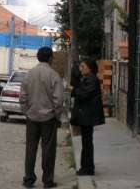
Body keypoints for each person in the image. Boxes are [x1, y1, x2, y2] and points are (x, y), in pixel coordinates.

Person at [19, 46, 64, 189]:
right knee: (48, 150)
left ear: (38, 57)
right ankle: (47, 180)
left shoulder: (29, 74)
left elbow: (22, 97)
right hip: (48, 118)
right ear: (51, 58)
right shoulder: (54, 75)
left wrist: (27, 112)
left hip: (32, 117)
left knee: (30, 149)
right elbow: (58, 100)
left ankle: (28, 179)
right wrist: (57, 115)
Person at [71, 58, 105, 176]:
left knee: (87, 143)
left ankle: (87, 168)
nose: (81, 69)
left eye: (83, 67)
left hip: (88, 116)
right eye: (81, 66)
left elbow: (84, 94)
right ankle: (86, 167)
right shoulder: (87, 78)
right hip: (86, 116)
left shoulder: (92, 79)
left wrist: (73, 90)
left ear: (90, 68)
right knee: (86, 142)